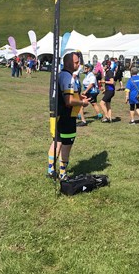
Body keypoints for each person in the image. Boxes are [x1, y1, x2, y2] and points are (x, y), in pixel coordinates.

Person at [47, 52, 89, 180]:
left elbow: (66, 95)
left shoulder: (60, 75)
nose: (78, 64)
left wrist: (78, 96)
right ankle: (62, 173)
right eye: (76, 62)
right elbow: (69, 101)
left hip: (58, 115)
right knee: (65, 145)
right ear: (69, 63)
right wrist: (82, 102)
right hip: (67, 117)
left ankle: (50, 170)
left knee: (57, 142)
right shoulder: (68, 77)